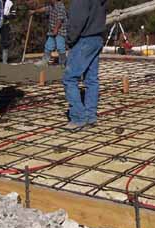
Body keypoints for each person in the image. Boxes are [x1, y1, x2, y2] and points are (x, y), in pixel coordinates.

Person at [62, 0, 106, 130]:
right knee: (91, 80)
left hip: (84, 40)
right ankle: (90, 116)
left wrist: (69, 40)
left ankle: (79, 118)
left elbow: (77, 21)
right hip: (97, 38)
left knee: (69, 79)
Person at [29, 0, 68, 67]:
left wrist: (56, 30)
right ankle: (44, 61)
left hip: (60, 31)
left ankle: (63, 63)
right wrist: (34, 11)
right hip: (52, 31)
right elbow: (44, 9)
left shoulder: (60, 6)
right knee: (48, 46)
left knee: (60, 47)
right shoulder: (51, 6)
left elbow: (60, 20)